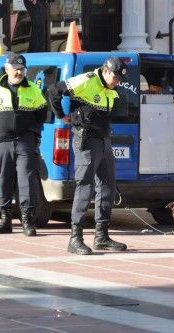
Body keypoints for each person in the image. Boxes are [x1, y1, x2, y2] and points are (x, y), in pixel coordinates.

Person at [47, 56, 128, 255]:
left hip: (103, 139)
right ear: (106, 71)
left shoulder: (111, 89)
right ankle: (75, 239)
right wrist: (62, 116)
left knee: (108, 184)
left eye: (119, 79)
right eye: (115, 77)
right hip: (86, 140)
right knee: (85, 186)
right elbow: (53, 90)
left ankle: (102, 236)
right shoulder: (86, 80)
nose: (117, 81)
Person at [0, 53, 47, 236]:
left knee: (26, 181)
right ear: (7, 69)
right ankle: (5, 220)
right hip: (2, 142)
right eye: (16, 69)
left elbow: (42, 112)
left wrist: (33, 131)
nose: (19, 72)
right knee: (3, 180)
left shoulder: (33, 89)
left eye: (22, 69)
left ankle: (27, 220)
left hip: (25, 142)